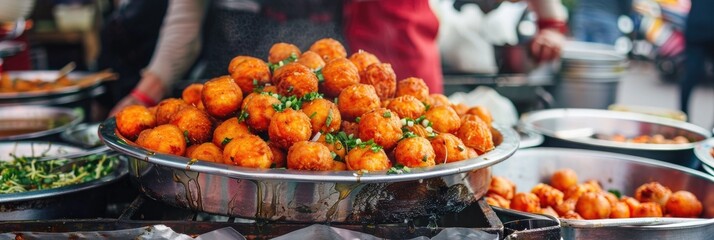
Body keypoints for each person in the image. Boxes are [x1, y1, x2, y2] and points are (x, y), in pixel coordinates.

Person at [109, 0, 566, 115]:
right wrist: (144, 91)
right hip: (248, 69)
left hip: (386, 58)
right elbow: (185, 16)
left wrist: (551, 18)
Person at [680, 0, 714, 116]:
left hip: (696, 27)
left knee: (690, 75)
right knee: (690, 76)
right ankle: (683, 118)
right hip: (697, 30)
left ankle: (683, 118)